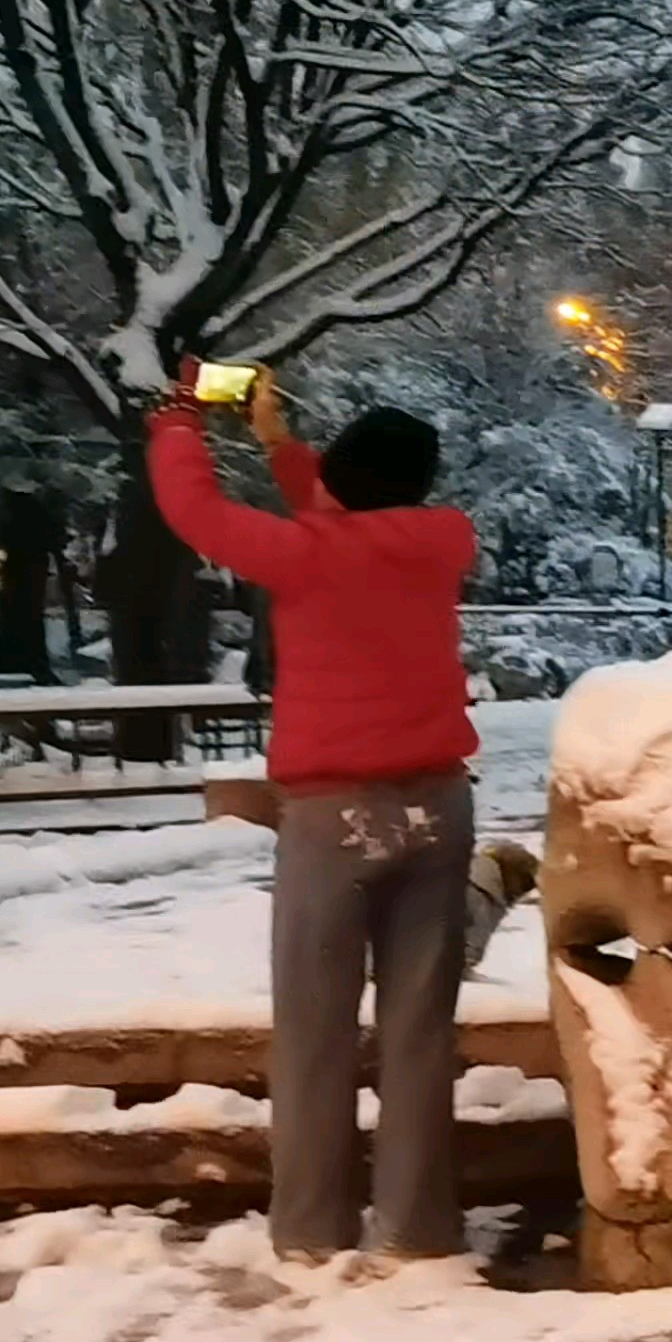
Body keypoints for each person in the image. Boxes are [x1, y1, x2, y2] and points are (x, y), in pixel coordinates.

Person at [150, 365, 480, 1260]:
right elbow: (345, 519)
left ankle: (310, 1228)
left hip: (333, 818)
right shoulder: (440, 544)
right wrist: (280, 446)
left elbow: (197, 513)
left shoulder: (307, 558)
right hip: (439, 808)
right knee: (418, 1034)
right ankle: (418, 1229)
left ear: (345, 483)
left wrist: (181, 421)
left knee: (315, 1030)